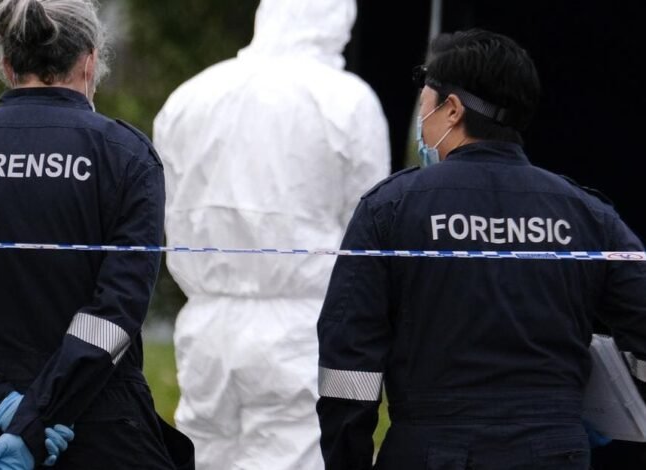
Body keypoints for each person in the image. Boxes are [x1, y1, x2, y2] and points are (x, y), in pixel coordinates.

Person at [0, 0, 193, 468]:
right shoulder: (125, 156)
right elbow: (116, 311)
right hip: (97, 432)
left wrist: (2, 407)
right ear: (89, 61)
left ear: (6, 65)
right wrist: (38, 417)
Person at [317, 29, 646, 470]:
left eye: (424, 96)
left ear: (451, 109)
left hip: (430, 452)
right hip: (554, 452)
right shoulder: (588, 215)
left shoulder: (390, 210)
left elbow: (348, 370)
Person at [153, 0, 391, 468]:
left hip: (206, 321)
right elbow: (370, 221)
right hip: (301, 324)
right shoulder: (346, 100)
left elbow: (167, 205)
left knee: (203, 453)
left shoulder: (190, 97)